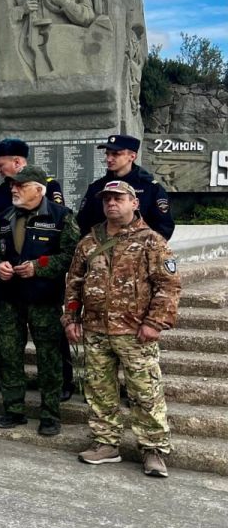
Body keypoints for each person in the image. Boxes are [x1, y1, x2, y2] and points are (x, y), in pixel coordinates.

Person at [63, 180, 181, 477]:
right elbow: (74, 284)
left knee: (145, 391)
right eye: (107, 199)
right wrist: (71, 319)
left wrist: (155, 323)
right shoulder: (89, 241)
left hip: (135, 331)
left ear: (134, 203)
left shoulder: (151, 241)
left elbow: (168, 285)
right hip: (96, 330)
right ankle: (106, 443)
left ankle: (153, 448)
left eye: (118, 198)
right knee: (99, 389)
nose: (111, 203)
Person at [0, 165, 79, 436]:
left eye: (20, 185)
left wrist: (39, 267)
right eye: (13, 184)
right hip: (9, 298)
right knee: (9, 354)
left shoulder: (61, 217)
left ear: (39, 190)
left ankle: (50, 414)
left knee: (49, 357)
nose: (13, 189)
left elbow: (73, 257)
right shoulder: (5, 217)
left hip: (43, 299)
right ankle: (13, 409)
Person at [0, 138, 73, 399]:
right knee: (8, 339)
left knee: (51, 339)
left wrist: (39, 266)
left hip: (41, 286)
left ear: (18, 163)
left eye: (2, 165)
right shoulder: (0, 193)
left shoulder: (47, 187)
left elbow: (58, 235)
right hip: (9, 284)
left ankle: (64, 381)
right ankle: (2, 377)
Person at [77, 134, 175, 240]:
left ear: (132, 156)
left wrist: (142, 249)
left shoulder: (150, 188)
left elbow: (164, 227)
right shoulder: (97, 187)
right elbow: (83, 224)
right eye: (107, 154)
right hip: (101, 251)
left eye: (115, 154)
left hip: (136, 252)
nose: (109, 159)